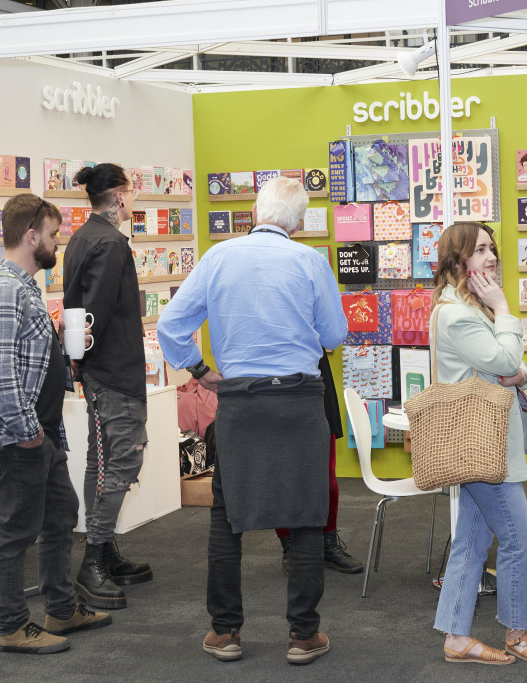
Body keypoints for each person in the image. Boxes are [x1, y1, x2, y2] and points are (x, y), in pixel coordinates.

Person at [157, 177, 347, 665]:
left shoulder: (219, 257)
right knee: (306, 516)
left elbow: (170, 325)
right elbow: (334, 332)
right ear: (300, 222)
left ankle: (225, 633)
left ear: (254, 210)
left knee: (227, 516)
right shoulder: (310, 261)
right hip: (300, 400)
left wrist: (200, 370)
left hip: (240, 401)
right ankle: (304, 636)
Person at [0, 193, 111, 654]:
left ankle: (61, 610)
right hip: (17, 437)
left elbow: (22, 355)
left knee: (59, 519)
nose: (56, 243)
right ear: (31, 236)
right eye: (51, 235)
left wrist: (64, 340)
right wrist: (27, 430)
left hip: (41, 431)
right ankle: (11, 626)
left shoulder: (24, 285)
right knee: (13, 532)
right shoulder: (4, 288)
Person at [431, 222, 527, 666]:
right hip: (484, 450)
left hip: (480, 445)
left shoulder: (466, 307)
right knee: (521, 541)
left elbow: (511, 368)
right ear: (458, 259)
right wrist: (504, 307)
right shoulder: (461, 313)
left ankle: (457, 639)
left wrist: (517, 371)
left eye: (492, 249)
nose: (491, 257)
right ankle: (518, 634)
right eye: (479, 250)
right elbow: (506, 361)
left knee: (469, 541)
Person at [63, 163, 153, 610]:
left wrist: (79, 364)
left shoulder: (80, 238)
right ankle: (94, 557)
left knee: (101, 460)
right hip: (115, 371)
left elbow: (78, 312)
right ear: (117, 196)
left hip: (98, 370)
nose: (135, 198)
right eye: (132, 190)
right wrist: (88, 361)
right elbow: (93, 313)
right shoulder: (112, 243)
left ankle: (104, 549)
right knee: (121, 460)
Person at [275, 352, 364, 576]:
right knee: (280, 475)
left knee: (326, 477)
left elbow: (333, 333)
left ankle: (327, 544)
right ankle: (290, 547)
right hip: (274, 380)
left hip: (314, 378)